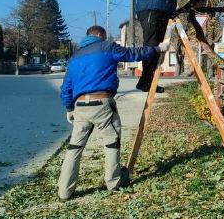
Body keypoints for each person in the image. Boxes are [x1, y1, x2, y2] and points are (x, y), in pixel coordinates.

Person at [58, 25, 169, 201]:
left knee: (74, 148)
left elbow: (66, 87)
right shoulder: (107, 47)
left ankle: (64, 191)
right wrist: (157, 49)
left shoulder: (74, 57)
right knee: (111, 142)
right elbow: (133, 54)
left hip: (80, 107)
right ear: (100, 35)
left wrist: (69, 108)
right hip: (102, 103)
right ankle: (113, 182)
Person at [135, 0, 190, 93]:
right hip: (150, 8)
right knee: (152, 45)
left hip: (164, 9)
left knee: (159, 48)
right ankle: (146, 81)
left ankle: (147, 81)